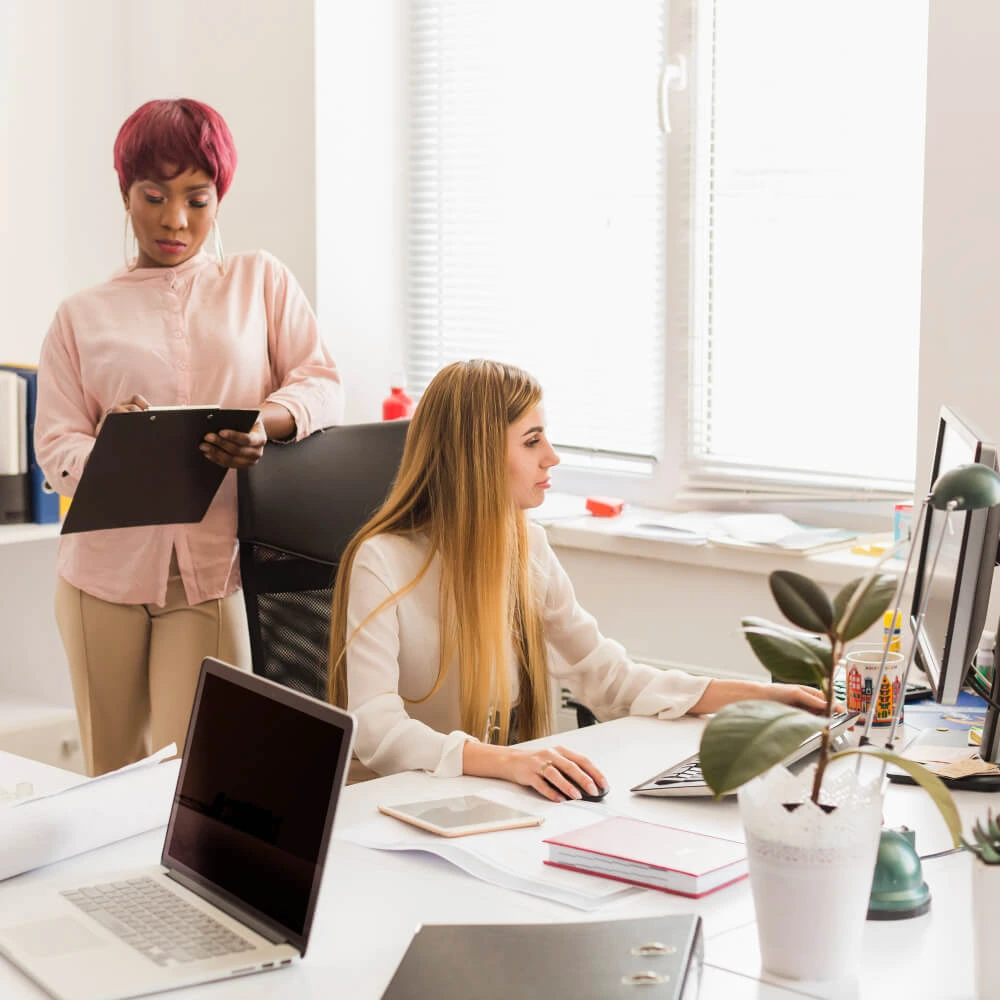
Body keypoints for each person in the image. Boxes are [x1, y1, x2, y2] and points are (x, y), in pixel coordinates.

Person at [329, 359, 824, 800]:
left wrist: (760, 697)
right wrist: (505, 761)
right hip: (389, 807)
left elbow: (610, 679)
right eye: (531, 440)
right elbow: (374, 729)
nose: (552, 456)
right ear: (476, 454)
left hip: (484, 801)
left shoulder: (528, 547)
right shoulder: (382, 560)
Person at [36, 98, 344, 777]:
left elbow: (321, 381)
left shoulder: (260, 281)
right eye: (154, 196)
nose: (175, 220)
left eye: (197, 199)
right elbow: (57, 446)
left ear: (219, 197)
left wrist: (264, 423)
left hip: (209, 576)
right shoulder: (80, 316)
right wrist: (114, 450)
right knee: (110, 779)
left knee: (198, 776)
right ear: (126, 192)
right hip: (100, 580)